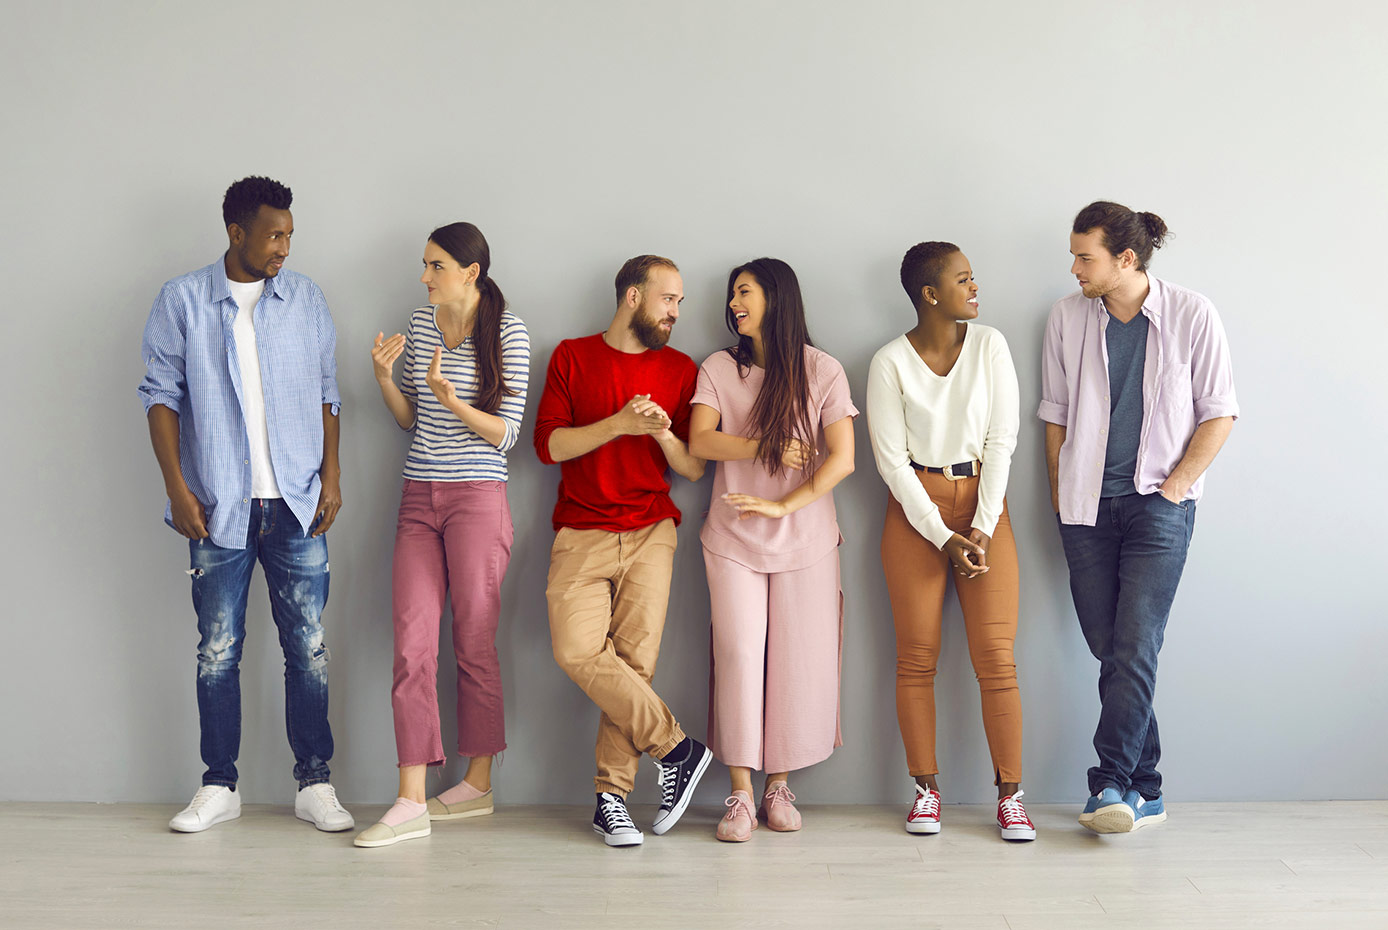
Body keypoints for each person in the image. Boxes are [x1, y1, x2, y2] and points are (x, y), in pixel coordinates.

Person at [138, 176, 353, 834]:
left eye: (290, 234)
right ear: (237, 234)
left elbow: (328, 394)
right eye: (274, 235)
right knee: (217, 650)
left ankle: (314, 783)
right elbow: (160, 395)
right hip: (219, 505)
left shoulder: (305, 298)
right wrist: (178, 489)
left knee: (308, 649)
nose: (285, 246)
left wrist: (333, 478)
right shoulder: (183, 300)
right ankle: (218, 785)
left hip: (295, 500)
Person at [1040, 201, 1238, 834]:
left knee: (1134, 644)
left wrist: (1177, 487)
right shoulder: (1067, 319)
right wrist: (1059, 492)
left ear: (1125, 259)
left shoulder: (1192, 314)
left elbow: (1220, 412)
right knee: (1112, 647)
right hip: (1086, 508)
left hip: (1159, 505)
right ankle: (1147, 785)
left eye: (1084, 256)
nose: (1073, 268)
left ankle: (1110, 787)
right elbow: (1055, 415)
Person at [354, 222, 530, 848]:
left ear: (469, 272)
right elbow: (410, 421)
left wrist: (452, 400)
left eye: (435, 266)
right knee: (411, 646)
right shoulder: (421, 322)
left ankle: (478, 782)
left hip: (479, 500)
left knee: (473, 643)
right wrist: (384, 380)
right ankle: (411, 798)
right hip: (418, 500)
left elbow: (506, 435)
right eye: (424, 265)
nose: (424, 276)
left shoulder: (508, 332)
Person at [533, 255, 711, 847]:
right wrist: (617, 424)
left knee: (634, 667)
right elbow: (550, 446)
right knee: (576, 650)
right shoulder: (571, 356)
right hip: (580, 530)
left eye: (680, 303)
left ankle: (611, 801)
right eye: (668, 300)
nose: (676, 313)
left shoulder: (681, 369)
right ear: (633, 297)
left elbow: (690, 466)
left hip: (652, 530)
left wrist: (659, 430)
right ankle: (677, 748)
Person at [866, 242, 1034, 841]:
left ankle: (1011, 798)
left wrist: (982, 528)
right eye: (964, 279)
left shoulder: (990, 345)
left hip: (986, 505)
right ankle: (926, 792)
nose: (976, 286)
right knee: (916, 659)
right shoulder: (889, 361)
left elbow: (1002, 442)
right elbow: (890, 462)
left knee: (997, 660)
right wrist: (941, 536)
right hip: (916, 515)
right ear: (931, 294)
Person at [688, 258, 857, 843]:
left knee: (793, 662)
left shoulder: (822, 370)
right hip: (733, 537)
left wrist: (788, 504)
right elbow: (701, 439)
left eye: (745, 292)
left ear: (777, 298)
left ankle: (777, 786)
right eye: (732, 294)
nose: (734, 303)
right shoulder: (718, 367)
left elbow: (844, 458)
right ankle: (738, 792)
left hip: (806, 538)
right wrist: (762, 445)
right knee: (737, 653)